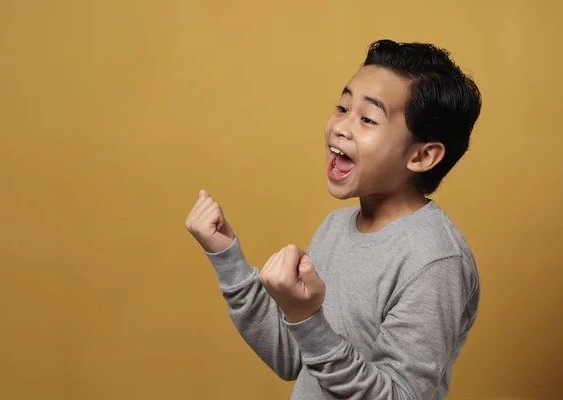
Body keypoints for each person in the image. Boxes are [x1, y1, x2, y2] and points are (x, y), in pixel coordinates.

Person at [185, 39, 482, 399]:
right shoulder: (335, 228)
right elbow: (290, 358)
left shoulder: (434, 261)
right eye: (342, 108)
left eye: (368, 119)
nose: (341, 127)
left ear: (422, 156)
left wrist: (307, 317)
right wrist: (227, 257)